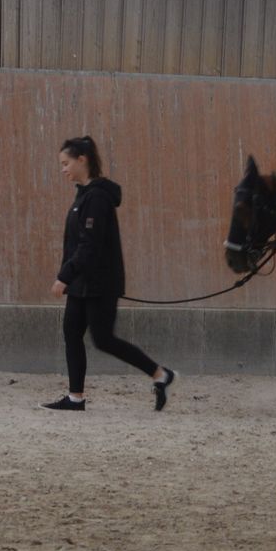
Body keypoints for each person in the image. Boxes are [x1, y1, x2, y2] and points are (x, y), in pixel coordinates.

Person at [42, 136, 176, 412]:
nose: (63, 169)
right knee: (71, 332)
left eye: (66, 163)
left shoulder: (98, 198)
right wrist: (70, 276)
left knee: (103, 339)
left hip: (100, 283)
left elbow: (89, 245)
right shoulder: (83, 195)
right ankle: (75, 398)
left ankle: (160, 374)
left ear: (82, 160)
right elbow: (77, 243)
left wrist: (64, 275)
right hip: (81, 283)